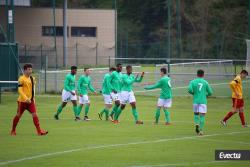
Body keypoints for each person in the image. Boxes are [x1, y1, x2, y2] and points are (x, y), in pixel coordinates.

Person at [11, 64, 48, 136]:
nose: (30, 71)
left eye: (31, 69)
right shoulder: (21, 79)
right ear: (25, 70)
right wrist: (26, 98)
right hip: (22, 102)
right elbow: (20, 90)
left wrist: (33, 99)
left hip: (30, 102)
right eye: (29, 69)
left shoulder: (32, 78)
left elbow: (32, 90)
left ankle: (39, 131)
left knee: (35, 114)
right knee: (18, 115)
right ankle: (13, 130)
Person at [188, 69, 213, 135]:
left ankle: (197, 124)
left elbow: (189, 89)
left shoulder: (192, 82)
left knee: (196, 114)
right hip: (203, 101)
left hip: (195, 101)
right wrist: (206, 95)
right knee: (202, 116)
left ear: (197, 74)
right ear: (203, 75)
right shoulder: (205, 82)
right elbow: (210, 92)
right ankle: (201, 130)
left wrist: (193, 93)